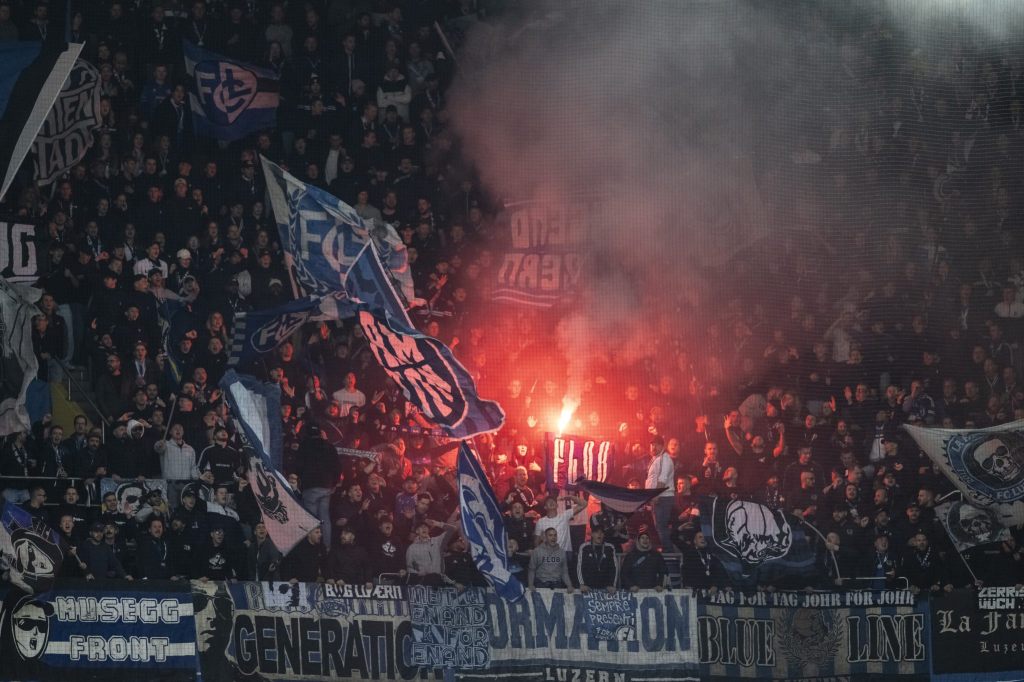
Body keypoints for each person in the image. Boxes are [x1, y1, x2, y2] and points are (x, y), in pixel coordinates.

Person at [646, 435, 676, 549]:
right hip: (657, 497)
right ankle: (666, 550)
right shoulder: (655, 459)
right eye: (652, 445)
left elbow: (662, 479)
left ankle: (669, 553)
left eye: (656, 445)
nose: (653, 447)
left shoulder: (665, 458)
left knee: (661, 526)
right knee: (659, 527)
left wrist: (655, 496)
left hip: (663, 498)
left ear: (662, 446)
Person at [406, 519, 456, 585]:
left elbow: (452, 529)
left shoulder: (437, 542)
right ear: (417, 531)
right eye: (421, 527)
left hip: (439, 580)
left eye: (426, 527)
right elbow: (410, 567)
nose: (424, 528)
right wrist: (420, 572)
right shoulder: (412, 548)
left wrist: (437, 523)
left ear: (429, 530)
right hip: (422, 581)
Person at [576, 527, 618, 592]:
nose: (599, 534)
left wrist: (612, 585)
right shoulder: (584, 547)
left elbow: (614, 567)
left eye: (601, 533)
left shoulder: (610, 547)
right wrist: (582, 584)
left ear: (604, 535)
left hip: (606, 588)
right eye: (596, 532)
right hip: (588, 587)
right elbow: (580, 567)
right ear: (592, 534)